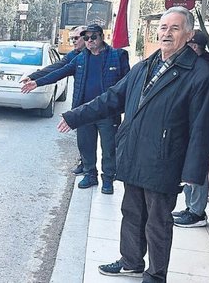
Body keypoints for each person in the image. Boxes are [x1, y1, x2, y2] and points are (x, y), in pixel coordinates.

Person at [56, 7, 209, 281]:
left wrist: (193, 173)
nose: (166, 33)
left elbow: (203, 127)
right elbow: (112, 98)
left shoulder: (201, 73)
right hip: (134, 153)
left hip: (165, 158)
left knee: (158, 222)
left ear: (189, 34)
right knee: (131, 213)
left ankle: (156, 275)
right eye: (163, 27)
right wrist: (74, 116)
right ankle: (131, 261)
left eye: (175, 28)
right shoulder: (146, 66)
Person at [21, 24, 129, 194]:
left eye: (93, 37)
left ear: (102, 37)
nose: (89, 41)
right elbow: (59, 71)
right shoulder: (80, 58)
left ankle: (107, 179)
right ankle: (90, 174)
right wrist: (36, 82)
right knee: (86, 146)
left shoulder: (117, 56)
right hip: (83, 113)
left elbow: (127, 84)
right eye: (86, 38)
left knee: (109, 148)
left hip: (108, 112)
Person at [171, 29, 209, 228]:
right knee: (189, 165)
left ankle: (197, 212)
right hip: (194, 125)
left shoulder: (207, 69)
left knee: (197, 167)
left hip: (202, 126)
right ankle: (190, 207)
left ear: (194, 47)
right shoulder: (200, 65)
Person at [21, 25, 88, 175]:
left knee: (107, 142)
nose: (73, 42)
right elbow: (57, 69)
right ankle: (86, 166)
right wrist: (34, 77)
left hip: (102, 105)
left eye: (76, 38)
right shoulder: (74, 56)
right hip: (81, 104)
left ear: (86, 37)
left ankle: (108, 178)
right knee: (84, 137)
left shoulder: (102, 54)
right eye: (72, 39)